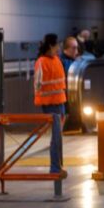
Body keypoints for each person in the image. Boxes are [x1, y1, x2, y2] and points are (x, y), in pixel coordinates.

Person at [34, 33, 67, 175]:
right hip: (50, 104)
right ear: (51, 46)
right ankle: (55, 167)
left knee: (58, 137)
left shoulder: (57, 60)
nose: (59, 48)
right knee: (56, 137)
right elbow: (38, 84)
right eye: (57, 45)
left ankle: (58, 165)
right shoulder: (41, 62)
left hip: (60, 102)